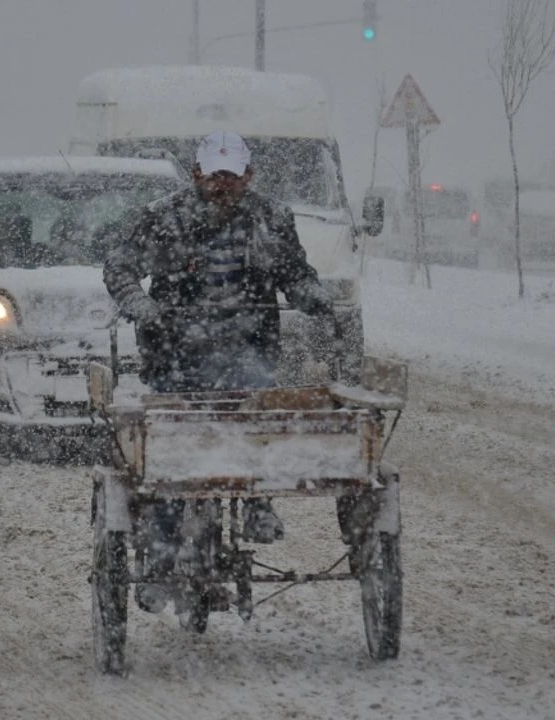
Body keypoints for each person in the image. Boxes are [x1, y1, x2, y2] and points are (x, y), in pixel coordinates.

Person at [103, 130, 335, 612]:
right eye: (214, 175)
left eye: (231, 175)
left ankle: (255, 502)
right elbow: (119, 269)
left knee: (253, 404)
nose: (222, 185)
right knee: (171, 456)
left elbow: (295, 273)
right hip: (174, 351)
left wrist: (311, 296)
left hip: (247, 346)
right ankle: (161, 556)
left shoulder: (272, 218)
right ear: (196, 174)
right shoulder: (161, 217)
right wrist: (142, 306)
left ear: (248, 176)